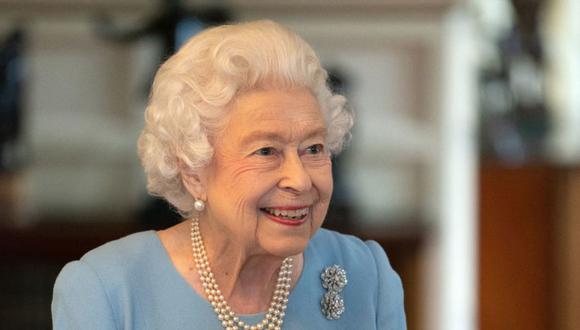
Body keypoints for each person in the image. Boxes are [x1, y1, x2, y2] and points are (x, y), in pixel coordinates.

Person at [51, 20, 406, 330]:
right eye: (266, 151)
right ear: (192, 170)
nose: (299, 180)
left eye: (313, 149)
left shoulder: (367, 275)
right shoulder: (106, 289)